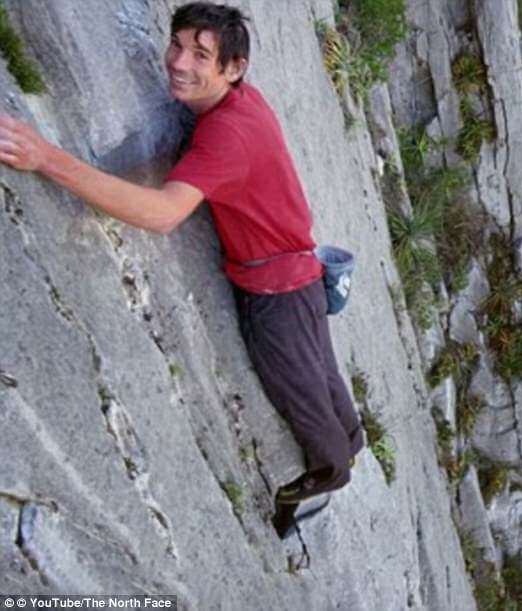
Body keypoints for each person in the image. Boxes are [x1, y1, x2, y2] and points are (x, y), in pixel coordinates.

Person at [0, 2, 363, 538]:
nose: (179, 63)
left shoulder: (227, 134)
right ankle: (348, 448)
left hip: (277, 300)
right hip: (301, 281)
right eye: (177, 45)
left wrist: (47, 159)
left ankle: (311, 487)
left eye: (201, 55)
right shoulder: (242, 104)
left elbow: (164, 212)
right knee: (329, 395)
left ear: (232, 69)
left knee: (310, 412)